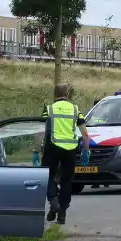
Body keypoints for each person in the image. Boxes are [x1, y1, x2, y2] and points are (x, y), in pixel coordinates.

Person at [33, 84, 91, 224]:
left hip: (52, 147)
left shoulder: (49, 109)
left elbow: (40, 131)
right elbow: (84, 134)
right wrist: (86, 150)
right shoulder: (76, 110)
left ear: (54, 95)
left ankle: (53, 202)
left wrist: (36, 150)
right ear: (67, 95)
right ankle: (62, 213)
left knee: (48, 177)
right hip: (70, 149)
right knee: (66, 180)